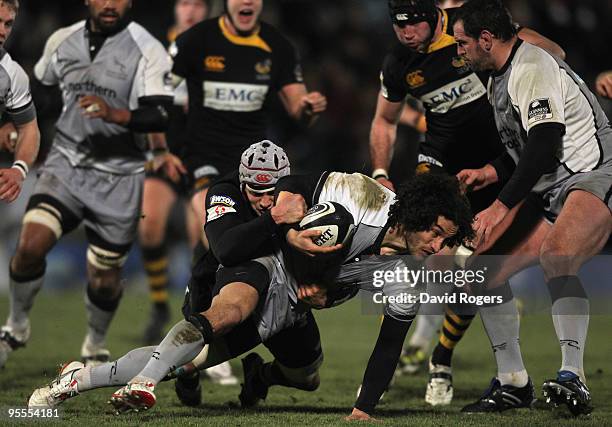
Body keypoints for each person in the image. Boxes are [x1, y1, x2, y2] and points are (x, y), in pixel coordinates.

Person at [27, 172, 474, 416]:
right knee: (225, 314)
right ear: (417, 213)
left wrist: (363, 410)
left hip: (289, 304)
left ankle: (80, 377)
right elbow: (297, 184)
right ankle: (135, 381)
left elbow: (389, 345)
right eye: (436, 232)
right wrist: (296, 238)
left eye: (446, 241)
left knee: (293, 375)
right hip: (264, 261)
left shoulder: (402, 277)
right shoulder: (362, 198)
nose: (437, 246)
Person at [370, 0, 565, 406]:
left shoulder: (470, 33)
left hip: (499, 162)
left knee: (479, 267)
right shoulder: (399, 61)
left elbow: (554, 53)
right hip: (441, 163)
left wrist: (517, 35)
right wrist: (379, 172)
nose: (407, 33)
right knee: (434, 256)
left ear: (434, 17)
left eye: (415, 24)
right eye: (397, 25)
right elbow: (384, 120)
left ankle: (442, 354)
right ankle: (405, 365)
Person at [451, 0, 612, 416]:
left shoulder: (530, 67)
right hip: (554, 183)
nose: (459, 50)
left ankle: (573, 377)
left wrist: (498, 208)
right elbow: (524, 148)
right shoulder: (496, 76)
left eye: (463, 42)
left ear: (486, 40)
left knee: (557, 255)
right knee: (481, 274)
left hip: (592, 172)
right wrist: (491, 171)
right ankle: (512, 383)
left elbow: (543, 144)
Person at [0, 0, 180, 368]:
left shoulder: (148, 48)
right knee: (30, 244)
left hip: (120, 176)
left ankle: (95, 344)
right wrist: (16, 124)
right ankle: (15, 327)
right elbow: (42, 91)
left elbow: (161, 112)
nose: (110, 4)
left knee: (104, 278)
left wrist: (117, 114)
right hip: (66, 165)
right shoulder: (62, 41)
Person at [167, 0, 326, 252]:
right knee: (210, 224)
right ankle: (204, 281)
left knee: (244, 236)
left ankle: (215, 281)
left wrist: (308, 108)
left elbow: (299, 108)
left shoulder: (277, 46)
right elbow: (159, 91)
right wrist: (160, 145)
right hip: (203, 154)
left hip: (252, 160)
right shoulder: (196, 40)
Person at [138, 0, 207, 347]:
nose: (191, 10)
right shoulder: (157, 52)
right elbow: (147, 106)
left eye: (198, 4)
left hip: (204, 156)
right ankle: (159, 305)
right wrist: (158, 151)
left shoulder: (216, 50)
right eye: (185, 3)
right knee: (148, 224)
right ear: (176, 10)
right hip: (166, 155)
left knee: (203, 236)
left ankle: (198, 309)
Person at [0, 0, 40, 204]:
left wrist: (19, 169)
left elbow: (29, 129)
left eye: (8, 24)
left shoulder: (13, 75)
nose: (2, 32)